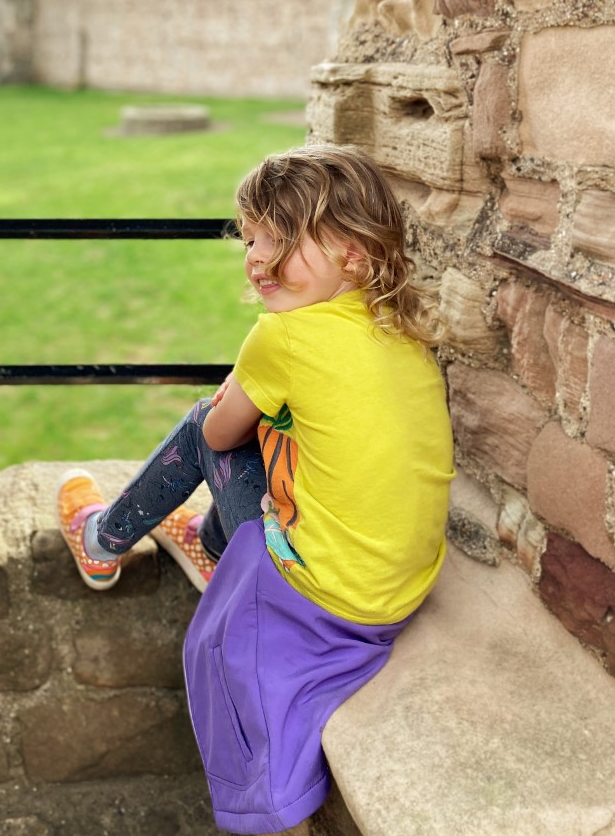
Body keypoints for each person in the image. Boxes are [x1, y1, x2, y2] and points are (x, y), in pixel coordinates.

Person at [57, 144, 454, 835]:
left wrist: (237, 399)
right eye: (250, 239)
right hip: (398, 588)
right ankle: (210, 540)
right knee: (261, 432)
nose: (255, 256)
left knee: (202, 425)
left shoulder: (285, 337)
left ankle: (104, 538)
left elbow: (215, 440)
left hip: (323, 593)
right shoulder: (400, 329)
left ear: (354, 253)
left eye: (280, 238)